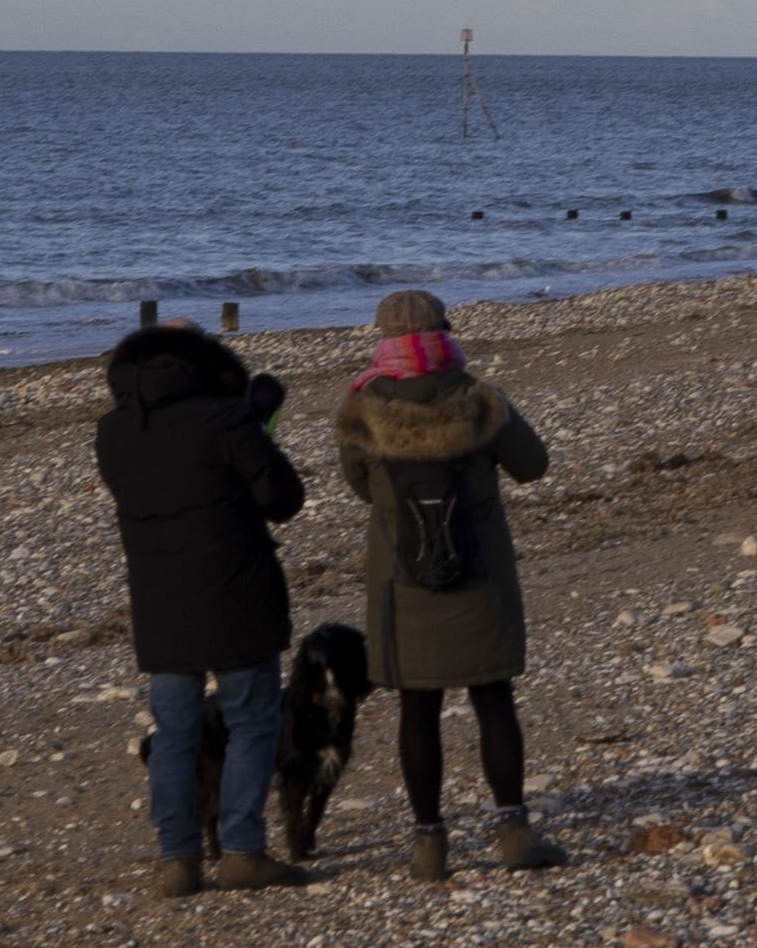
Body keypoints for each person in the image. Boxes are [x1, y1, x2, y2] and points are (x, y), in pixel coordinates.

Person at [333, 286, 558, 877]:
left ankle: (429, 846)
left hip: (402, 579)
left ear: (384, 340)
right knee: (493, 699)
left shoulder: (361, 408)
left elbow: (359, 487)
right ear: (444, 333)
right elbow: (533, 466)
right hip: (480, 572)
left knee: (417, 709)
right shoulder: (481, 400)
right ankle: (513, 834)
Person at [89, 315, 302, 896]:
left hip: (160, 598)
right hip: (236, 588)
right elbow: (283, 499)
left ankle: (176, 859)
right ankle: (241, 850)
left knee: (176, 732)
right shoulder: (226, 418)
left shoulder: (113, 431)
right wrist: (259, 429)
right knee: (253, 721)